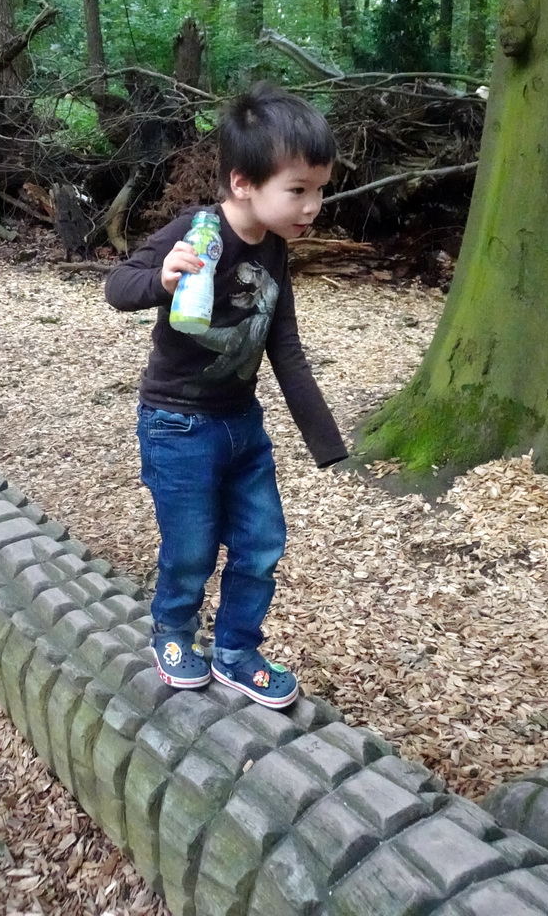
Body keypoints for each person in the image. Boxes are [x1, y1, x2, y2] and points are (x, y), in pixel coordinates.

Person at [105, 82, 347, 709]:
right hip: (177, 424)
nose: (313, 205)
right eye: (298, 190)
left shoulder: (274, 249)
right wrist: (162, 276)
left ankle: (238, 650)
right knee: (191, 545)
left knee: (263, 541)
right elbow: (118, 283)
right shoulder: (198, 230)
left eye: (319, 189)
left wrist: (328, 445)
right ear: (244, 182)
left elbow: (284, 347)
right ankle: (175, 632)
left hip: (243, 423)